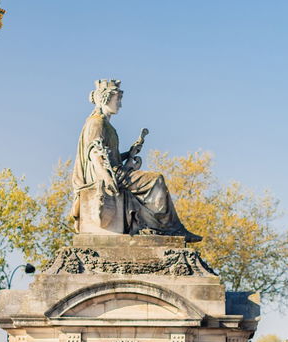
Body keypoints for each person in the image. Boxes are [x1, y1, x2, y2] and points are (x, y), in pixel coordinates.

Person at [72, 79, 199, 239]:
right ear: (105, 98)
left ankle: (158, 225)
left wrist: (129, 154)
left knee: (151, 181)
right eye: (118, 99)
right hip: (109, 175)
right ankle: (167, 227)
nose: (120, 104)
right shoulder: (96, 123)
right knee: (156, 180)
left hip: (115, 172)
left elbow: (110, 157)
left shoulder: (106, 125)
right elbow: (94, 153)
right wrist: (106, 179)